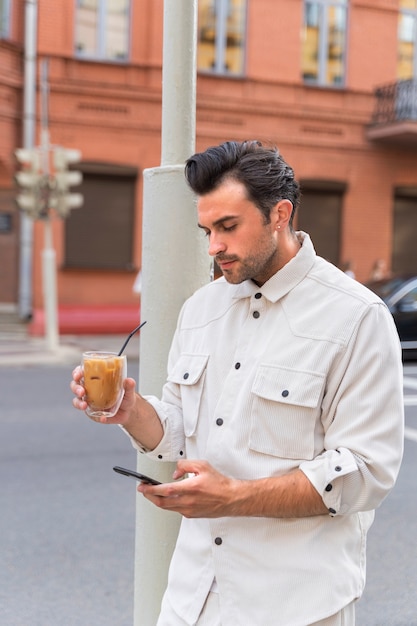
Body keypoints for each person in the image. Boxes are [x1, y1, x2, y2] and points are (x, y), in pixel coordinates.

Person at [71, 140, 404, 626]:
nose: (214, 247)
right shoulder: (201, 309)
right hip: (191, 598)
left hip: (295, 606)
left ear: (279, 214)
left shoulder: (356, 316)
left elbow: (364, 472)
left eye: (228, 226)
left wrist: (232, 497)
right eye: (207, 229)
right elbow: (180, 433)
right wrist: (132, 410)